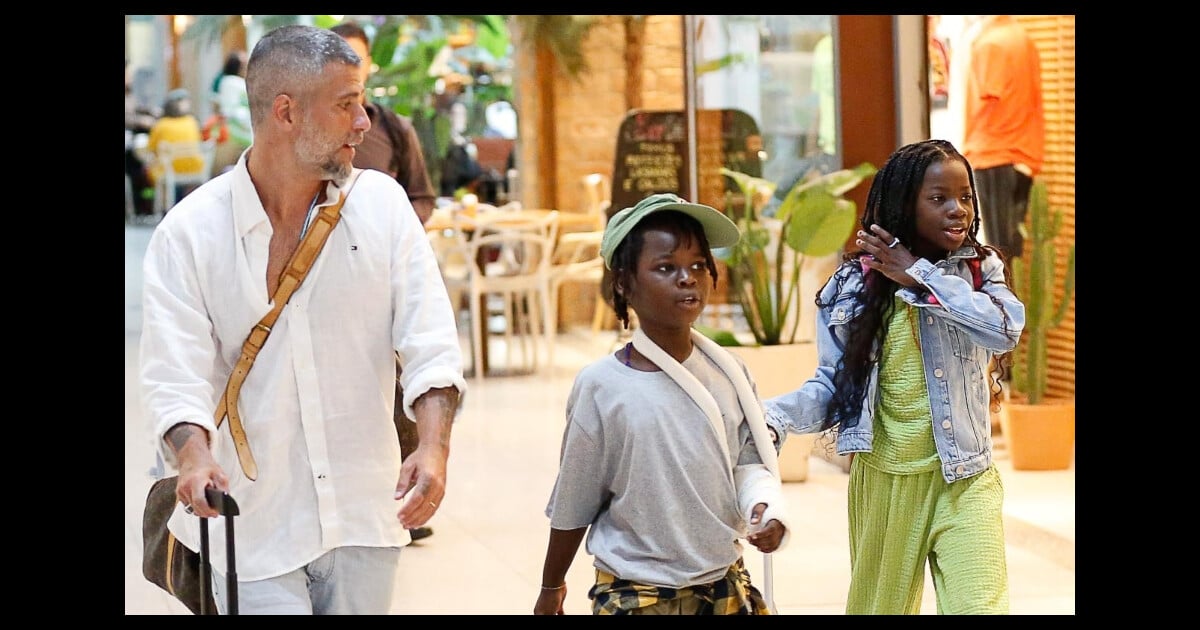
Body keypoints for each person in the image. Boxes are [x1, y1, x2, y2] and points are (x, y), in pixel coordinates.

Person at [139, 25, 466, 615]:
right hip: (253, 524)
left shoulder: (383, 206)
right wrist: (193, 457)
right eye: (346, 105)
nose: (364, 122)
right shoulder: (190, 233)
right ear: (285, 112)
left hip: (365, 511)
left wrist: (434, 446)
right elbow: (174, 372)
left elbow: (430, 340)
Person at [762, 139, 1025, 615]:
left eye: (965, 197)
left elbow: (1004, 330)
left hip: (964, 477)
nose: (957, 210)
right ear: (904, 204)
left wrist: (919, 275)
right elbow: (832, 386)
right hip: (885, 484)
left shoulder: (978, 269)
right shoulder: (851, 285)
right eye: (939, 198)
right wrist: (772, 417)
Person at [535, 193, 790, 615]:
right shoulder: (603, 386)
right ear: (623, 284)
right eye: (666, 267)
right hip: (637, 592)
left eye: (697, 265)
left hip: (722, 583)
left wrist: (765, 508)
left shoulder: (730, 372)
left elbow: (746, 463)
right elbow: (574, 498)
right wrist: (551, 585)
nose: (687, 278)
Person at [332, 20, 440, 543]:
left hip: (385, 270)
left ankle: (406, 501)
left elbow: (422, 194)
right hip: (328, 278)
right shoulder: (315, 136)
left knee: (399, 386)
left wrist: (398, 231)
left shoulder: (392, 127)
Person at [960, 15, 1044, 262]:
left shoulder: (990, 44)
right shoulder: (1021, 37)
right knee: (1013, 253)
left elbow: (988, 94)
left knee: (998, 255)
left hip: (993, 154)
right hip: (1023, 154)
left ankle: (1001, 302)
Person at [146, 88, 205, 206]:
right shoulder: (192, 121)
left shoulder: (161, 124)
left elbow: (151, 149)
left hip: (171, 169)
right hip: (195, 167)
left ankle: (162, 206)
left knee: (152, 168)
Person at [126, 59, 158, 218]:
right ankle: (141, 207)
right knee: (139, 167)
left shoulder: (129, 93)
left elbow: (136, 109)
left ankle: (146, 206)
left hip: (131, 141)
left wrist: (150, 113)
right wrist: (140, 121)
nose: (130, 76)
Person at [212, 50, 252, 174]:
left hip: (242, 132)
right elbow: (230, 110)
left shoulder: (229, 82)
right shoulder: (232, 83)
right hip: (235, 134)